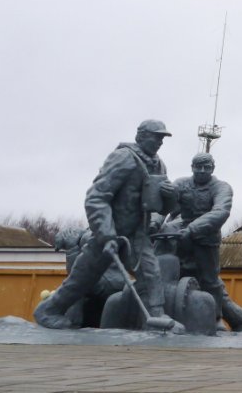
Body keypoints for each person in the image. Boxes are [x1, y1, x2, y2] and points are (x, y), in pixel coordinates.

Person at [35, 119, 179, 329]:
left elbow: (161, 208)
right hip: (110, 232)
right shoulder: (124, 157)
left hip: (136, 234)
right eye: (156, 137)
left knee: (151, 273)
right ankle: (48, 310)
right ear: (140, 136)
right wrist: (106, 234)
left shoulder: (158, 165)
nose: (160, 142)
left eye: (162, 138)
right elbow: (96, 197)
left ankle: (158, 316)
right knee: (83, 277)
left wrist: (170, 196)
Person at [167, 153, 242, 331]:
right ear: (192, 167)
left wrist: (192, 229)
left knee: (210, 280)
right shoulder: (181, 184)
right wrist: (155, 222)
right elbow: (166, 206)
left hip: (206, 238)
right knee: (173, 272)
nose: (202, 171)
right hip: (180, 235)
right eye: (198, 167)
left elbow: (220, 211)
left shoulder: (221, 187)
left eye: (206, 167)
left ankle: (215, 318)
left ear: (213, 168)